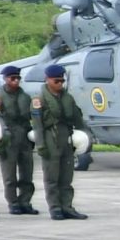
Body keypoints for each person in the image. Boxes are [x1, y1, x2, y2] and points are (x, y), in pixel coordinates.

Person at [37, 63, 88, 220]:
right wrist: (41, 145)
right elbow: (37, 124)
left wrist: (85, 135)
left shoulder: (68, 98)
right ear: (47, 80)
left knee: (67, 176)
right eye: (56, 81)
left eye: (61, 81)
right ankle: (55, 208)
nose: (59, 84)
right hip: (50, 139)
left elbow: (77, 118)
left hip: (66, 138)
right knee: (52, 177)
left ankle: (67, 206)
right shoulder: (39, 100)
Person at [0, 64, 38, 215]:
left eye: (18, 78)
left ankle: (25, 201)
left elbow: (33, 116)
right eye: (13, 78)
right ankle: (13, 202)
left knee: (27, 172)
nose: (16, 81)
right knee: (9, 174)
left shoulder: (25, 97)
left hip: (24, 137)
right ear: (6, 79)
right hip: (9, 138)